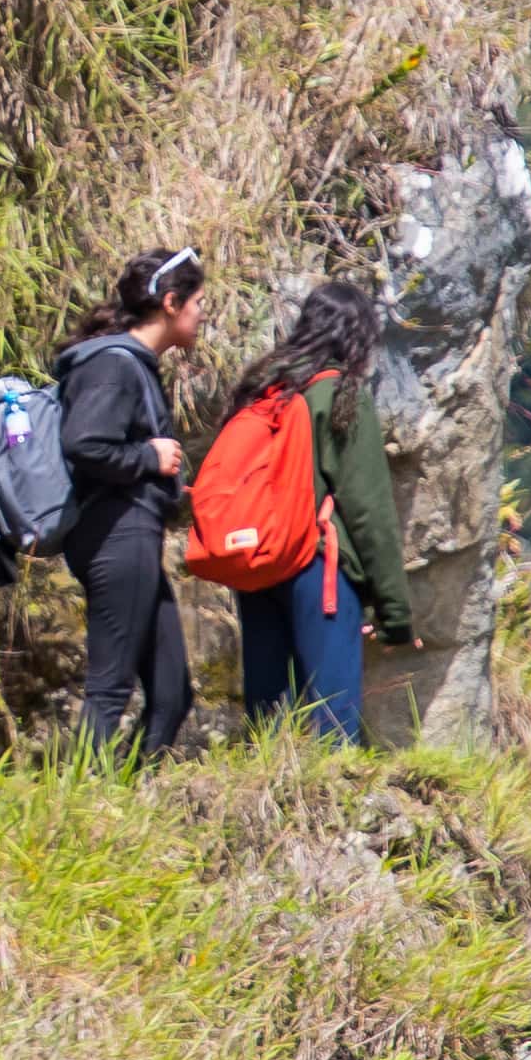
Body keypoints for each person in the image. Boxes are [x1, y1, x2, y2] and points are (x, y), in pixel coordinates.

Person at [219, 275, 415, 747]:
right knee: (333, 724)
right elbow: (369, 511)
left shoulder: (263, 391)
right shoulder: (340, 396)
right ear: (358, 336)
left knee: (267, 720)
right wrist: (395, 611)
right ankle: (330, 816)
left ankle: (262, 811)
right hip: (315, 569)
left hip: (259, 565)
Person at [57, 247, 209, 760]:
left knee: (171, 693)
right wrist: (149, 457)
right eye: (198, 303)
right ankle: (78, 811)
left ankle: (126, 795)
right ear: (171, 302)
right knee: (109, 687)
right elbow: (85, 443)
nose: (202, 314)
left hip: (133, 532)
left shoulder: (133, 364)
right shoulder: (114, 365)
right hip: (114, 534)